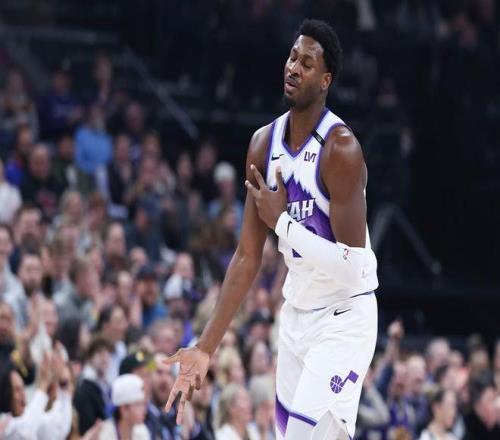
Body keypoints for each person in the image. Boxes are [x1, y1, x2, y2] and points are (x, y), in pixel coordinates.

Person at [165, 19, 378, 440]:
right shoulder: (263, 144)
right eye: (292, 58)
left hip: (344, 316)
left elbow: (354, 268)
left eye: (308, 63)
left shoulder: (341, 149)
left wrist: (282, 223)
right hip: (295, 315)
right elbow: (247, 256)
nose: (294, 68)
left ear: (326, 80)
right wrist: (205, 347)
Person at [98, 373, 150, 440]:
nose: (145, 411)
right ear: (124, 409)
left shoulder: (142, 431)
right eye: (138, 404)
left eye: (144, 404)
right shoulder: (104, 434)